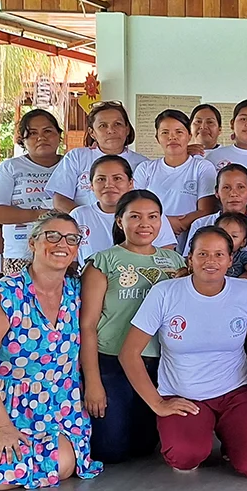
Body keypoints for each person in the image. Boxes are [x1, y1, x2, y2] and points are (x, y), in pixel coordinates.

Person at [0, 213, 102, 489]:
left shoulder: (77, 292)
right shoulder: (5, 294)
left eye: (71, 239)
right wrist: (2, 427)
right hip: (0, 403)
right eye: (52, 236)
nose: (61, 244)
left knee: (62, 464)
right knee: (3, 478)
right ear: (33, 243)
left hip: (56, 404)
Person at [120, 226, 247, 478]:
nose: (210, 261)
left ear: (230, 260)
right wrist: (158, 403)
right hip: (184, 394)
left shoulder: (246, 291)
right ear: (190, 259)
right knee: (185, 456)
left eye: (219, 254)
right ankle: (200, 436)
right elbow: (129, 353)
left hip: (235, 391)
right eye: (202, 254)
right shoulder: (165, 293)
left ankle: (233, 438)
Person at [80, 190, 185, 463]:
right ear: (119, 221)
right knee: (110, 450)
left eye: (153, 217)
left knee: (144, 446)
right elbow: (87, 325)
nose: (145, 224)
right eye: (135, 217)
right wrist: (93, 382)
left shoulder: (176, 262)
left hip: (159, 363)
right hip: (111, 361)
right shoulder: (103, 261)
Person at [0, 108, 63, 277]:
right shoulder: (9, 168)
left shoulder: (72, 165)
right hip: (22, 255)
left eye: (48, 131)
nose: (41, 138)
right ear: (23, 140)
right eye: (33, 133)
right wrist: (40, 215)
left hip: (67, 253)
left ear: (59, 135)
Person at [133, 109, 217, 246]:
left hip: (191, 242)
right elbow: (135, 208)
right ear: (157, 138)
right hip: (152, 242)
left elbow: (206, 211)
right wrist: (166, 223)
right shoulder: (145, 169)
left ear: (189, 136)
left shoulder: (202, 167)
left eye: (179, 132)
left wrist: (180, 223)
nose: (172, 137)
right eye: (165, 132)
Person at [70, 155, 176, 260]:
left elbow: (166, 257)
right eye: (101, 179)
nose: (109, 185)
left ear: (130, 183)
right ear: (91, 185)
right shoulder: (79, 215)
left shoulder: (151, 213)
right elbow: (71, 260)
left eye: (117, 178)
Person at [47, 101, 147, 210]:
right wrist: (86, 218)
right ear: (92, 133)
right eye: (103, 126)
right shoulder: (77, 157)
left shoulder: (143, 164)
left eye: (118, 124)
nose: (111, 130)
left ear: (127, 129)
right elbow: (60, 200)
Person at [185, 162, 247, 267]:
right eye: (226, 188)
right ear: (217, 192)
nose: (233, 194)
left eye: (240, 187)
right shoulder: (200, 224)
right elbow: (190, 264)